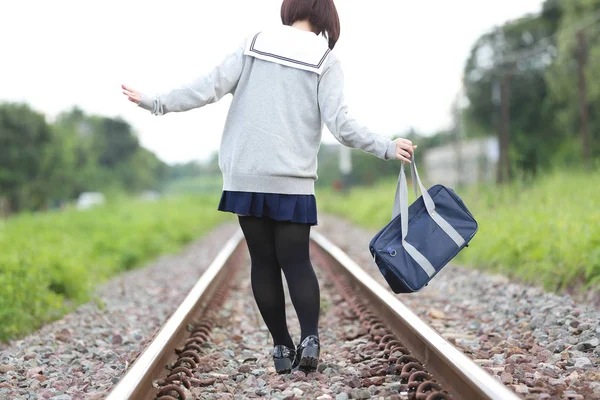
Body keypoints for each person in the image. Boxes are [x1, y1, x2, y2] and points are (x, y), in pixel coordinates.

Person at [122, 0, 416, 374]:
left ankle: (280, 346)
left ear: (290, 8)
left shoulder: (253, 43)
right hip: (291, 180)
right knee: (296, 261)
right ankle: (309, 337)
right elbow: (341, 125)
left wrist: (155, 102)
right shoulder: (325, 60)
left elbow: (207, 87)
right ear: (326, 15)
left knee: (262, 262)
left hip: (246, 176)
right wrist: (387, 147)